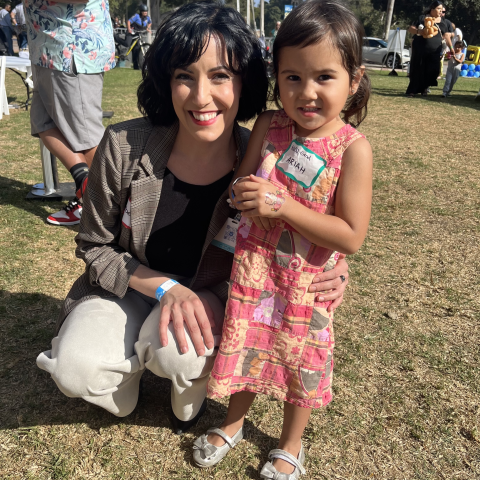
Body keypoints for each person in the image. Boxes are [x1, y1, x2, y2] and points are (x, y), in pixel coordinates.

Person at [35, 2, 351, 438]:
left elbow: (303, 221)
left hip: (215, 292)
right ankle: (121, 388)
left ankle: (185, 397)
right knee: (74, 368)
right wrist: (167, 289)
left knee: (178, 356)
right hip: (129, 287)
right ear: (166, 81)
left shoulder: (264, 158)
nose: (201, 97)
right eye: (185, 76)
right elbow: (93, 247)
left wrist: (333, 264)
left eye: (220, 76)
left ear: (245, 83)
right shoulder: (125, 144)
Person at [194, 1, 372, 478]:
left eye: (324, 78)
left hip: (307, 286)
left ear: (353, 80)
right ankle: (233, 424)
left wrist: (285, 207)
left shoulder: (352, 149)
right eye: (292, 77)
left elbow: (351, 236)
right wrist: (243, 193)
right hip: (254, 274)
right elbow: (239, 183)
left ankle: (291, 443)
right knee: (247, 348)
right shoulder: (270, 127)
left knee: (301, 363)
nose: (306, 93)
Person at [24, 0, 115, 226]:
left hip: (72, 47)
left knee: (86, 136)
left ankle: (115, 211)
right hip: (48, 48)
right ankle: (86, 186)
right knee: (42, 123)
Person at [406, 1, 453, 97]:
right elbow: (411, 28)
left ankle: (425, 87)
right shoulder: (422, 18)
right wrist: (420, 31)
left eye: (441, 9)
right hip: (420, 48)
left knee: (433, 70)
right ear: (432, 9)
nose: (441, 11)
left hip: (435, 50)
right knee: (418, 68)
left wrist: (451, 48)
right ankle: (413, 90)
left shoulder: (444, 22)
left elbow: (447, 36)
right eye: (439, 9)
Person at [127, 4, 151, 70]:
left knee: (138, 49)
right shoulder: (136, 16)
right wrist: (129, 29)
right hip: (133, 33)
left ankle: (139, 65)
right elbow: (129, 21)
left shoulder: (147, 18)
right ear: (141, 12)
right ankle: (135, 65)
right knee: (134, 49)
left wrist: (147, 28)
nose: (145, 13)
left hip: (139, 34)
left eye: (146, 11)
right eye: (144, 11)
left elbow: (150, 22)